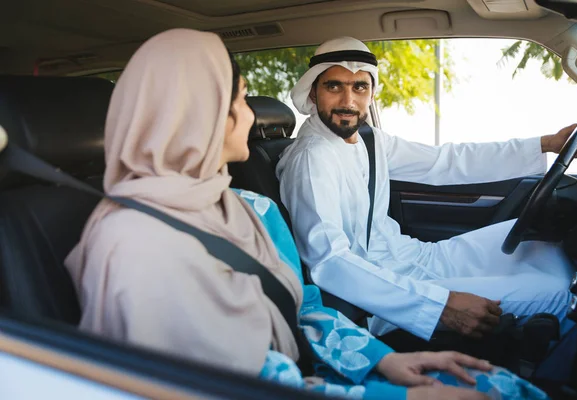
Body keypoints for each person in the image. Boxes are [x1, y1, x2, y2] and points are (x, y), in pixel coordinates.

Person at [63, 29, 547, 400]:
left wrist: (382, 362)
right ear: (195, 113)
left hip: (333, 362)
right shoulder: (134, 243)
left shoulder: (245, 206)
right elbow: (216, 381)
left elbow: (303, 310)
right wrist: (392, 392)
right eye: (237, 101)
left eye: (361, 87)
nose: (253, 117)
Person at [276, 36, 577, 342]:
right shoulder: (311, 158)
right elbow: (330, 261)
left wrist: (547, 144)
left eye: (360, 86)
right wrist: (439, 305)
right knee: (558, 295)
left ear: (371, 93)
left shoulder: (368, 139)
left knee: (540, 244)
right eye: (334, 87)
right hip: (380, 292)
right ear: (314, 92)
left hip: (416, 257)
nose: (348, 101)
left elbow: (445, 161)